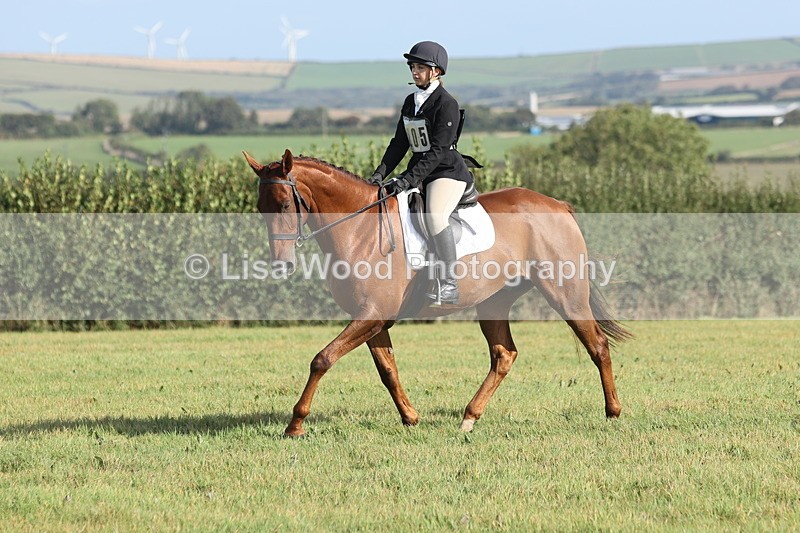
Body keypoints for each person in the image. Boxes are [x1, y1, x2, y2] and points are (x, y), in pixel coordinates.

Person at [370, 41, 474, 305]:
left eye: (420, 67)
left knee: (435, 216)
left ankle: (449, 284)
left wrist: (408, 179)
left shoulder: (446, 104)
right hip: (419, 172)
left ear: (436, 71)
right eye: (413, 67)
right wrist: (379, 174)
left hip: (446, 172)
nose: (415, 72)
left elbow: (438, 150)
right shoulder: (410, 102)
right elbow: (399, 143)